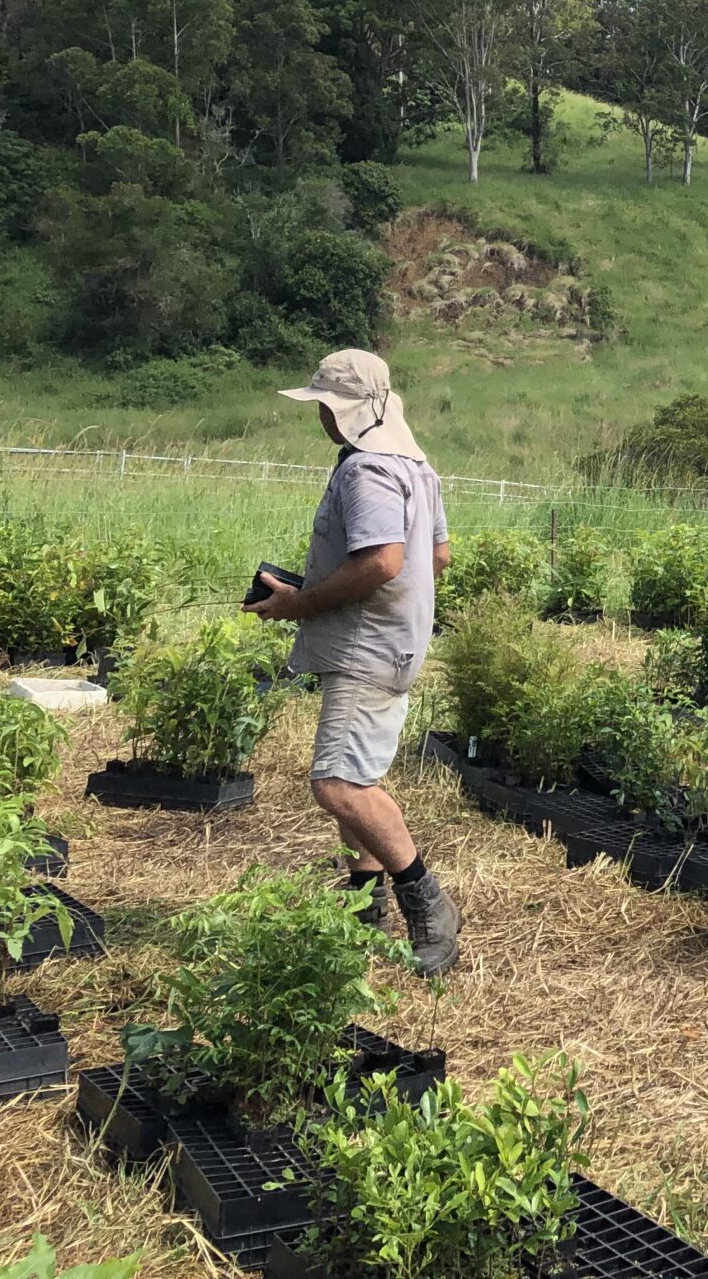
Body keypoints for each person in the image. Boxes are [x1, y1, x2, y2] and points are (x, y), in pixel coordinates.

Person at [249, 348, 463, 975]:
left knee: (339, 786)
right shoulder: (416, 466)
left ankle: (428, 902)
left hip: (368, 645)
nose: (319, 415)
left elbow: (382, 562)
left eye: (323, 404)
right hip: (394, 639)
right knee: (356, 772)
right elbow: (438, 558)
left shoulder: (366, 472)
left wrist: (302, 603)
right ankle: (364, 908)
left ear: (338, 411)